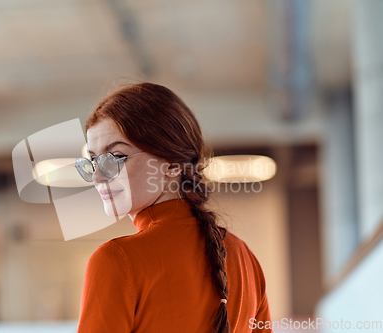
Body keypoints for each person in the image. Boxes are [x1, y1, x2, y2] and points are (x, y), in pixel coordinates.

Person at [75, 82, 272, 332]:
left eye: (115, 157)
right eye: (94, 160)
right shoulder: (245, 257)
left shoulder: (116, 261)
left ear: (172, 164)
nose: (97, 177)